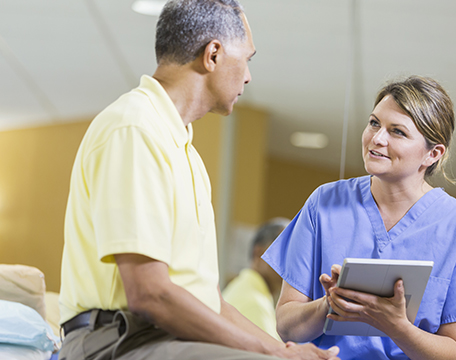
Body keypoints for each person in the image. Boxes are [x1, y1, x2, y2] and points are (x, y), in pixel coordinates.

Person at [57, 1, 339, 359]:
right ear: (213, 54)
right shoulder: (135, 128)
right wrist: (279, 357)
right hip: (118, 342)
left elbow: (213, 304)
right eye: (247, 59)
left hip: (165, 339)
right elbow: (150, 294)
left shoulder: (185, 151)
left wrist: (288, 350)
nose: (248, 76)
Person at [262, 76, 456, 360]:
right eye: (374, 123)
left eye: (398, 132)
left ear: (433, 154)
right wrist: (330, 303)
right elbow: (286, 327)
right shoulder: (324, 204)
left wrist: (396, 326)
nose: (377, 138)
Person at [223, 217, 291, 340]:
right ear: (259, 253)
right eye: (284, 251)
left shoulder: (248, 290)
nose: (291, 262)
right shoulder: (254, 302)